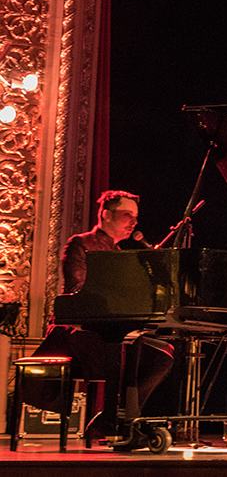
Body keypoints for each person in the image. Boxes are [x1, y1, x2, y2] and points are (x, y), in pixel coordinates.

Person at [38, 190, 174, 448]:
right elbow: (77, 287)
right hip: (77, 332)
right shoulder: (80, 243)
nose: (133, 222)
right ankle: (117, 423)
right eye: (127, 215)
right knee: (134, 352)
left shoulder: (119, 252)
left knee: (162, 355)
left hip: (109, 330)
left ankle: (119, 420)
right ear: (106, 215)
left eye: (135, 217)